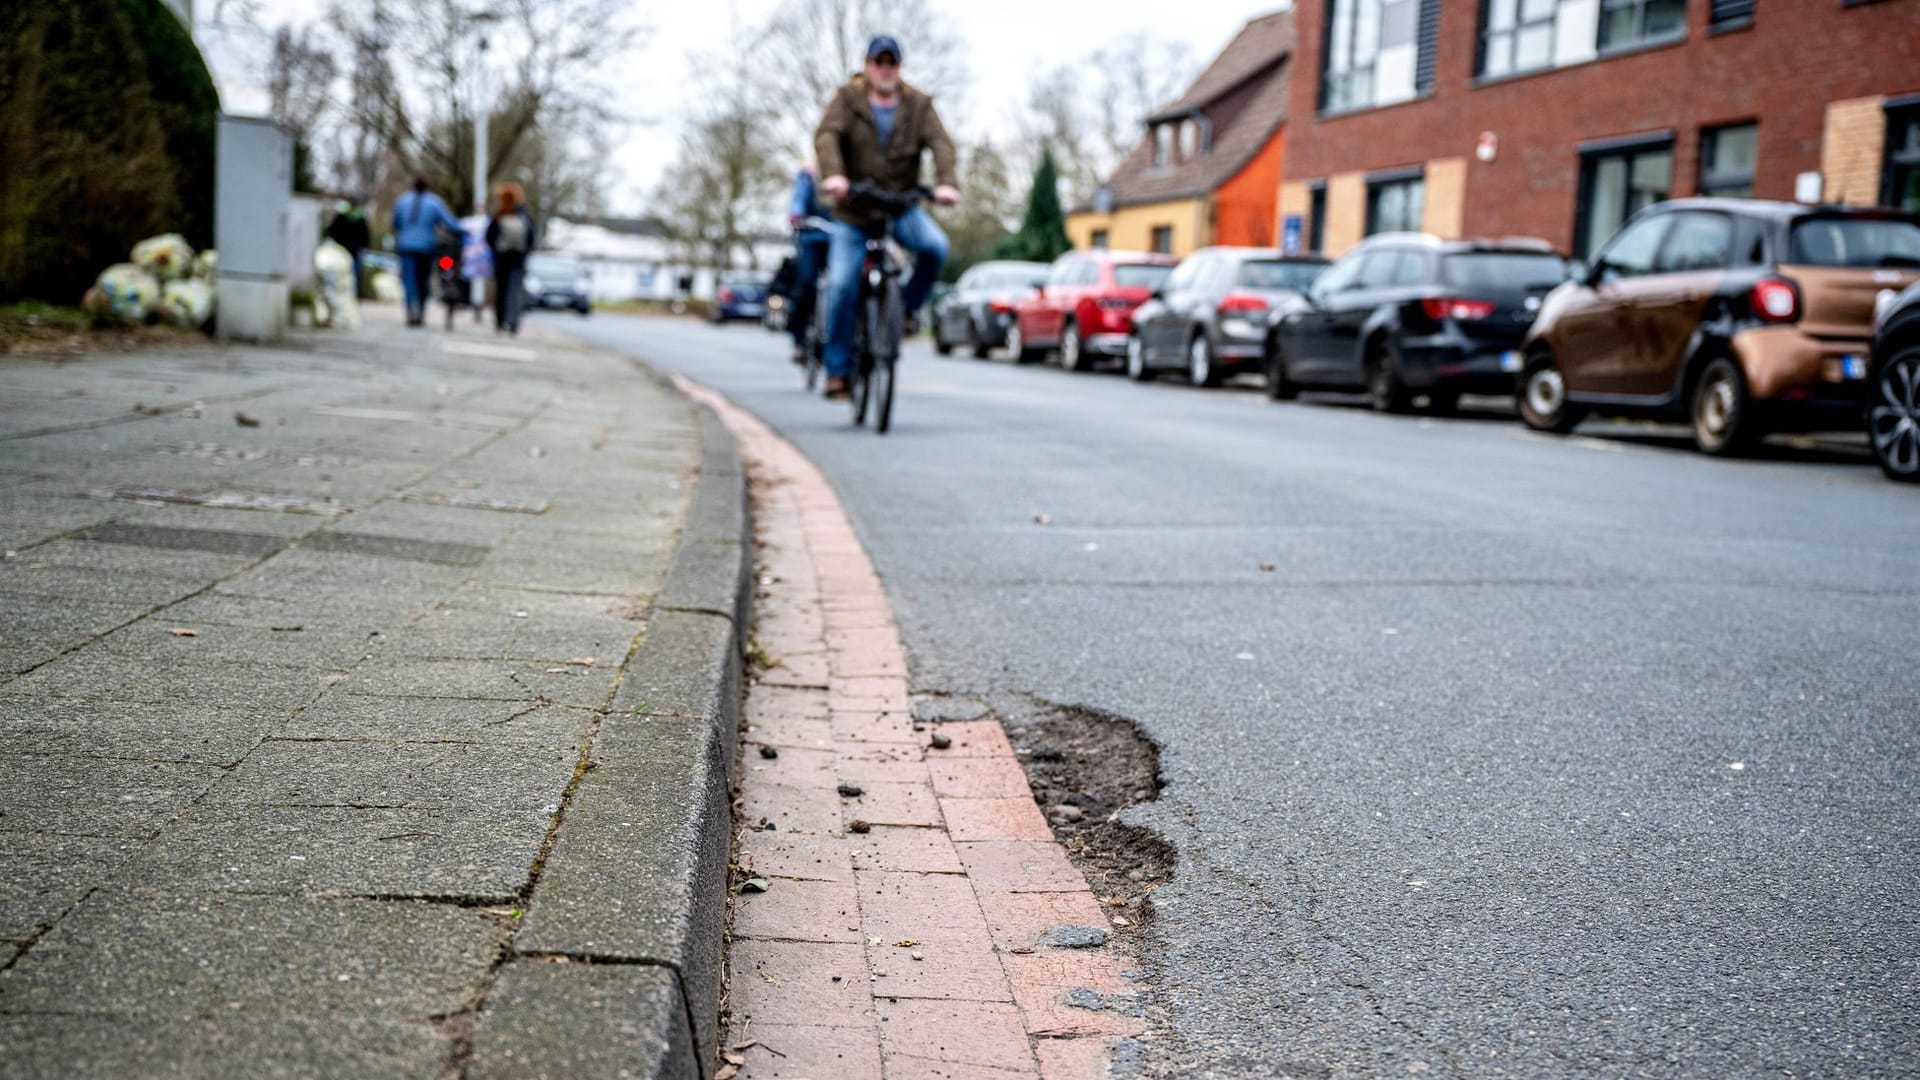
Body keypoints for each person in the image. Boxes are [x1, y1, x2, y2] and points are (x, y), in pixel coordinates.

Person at [813, 33, 960, 399]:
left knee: (935, 248)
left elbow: (941, 143)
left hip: (900, 205)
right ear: (867, 65)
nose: (884, 69)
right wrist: (834, 175)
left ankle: (904, 312)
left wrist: (946, 183)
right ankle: (838, 371)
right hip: (854, 210)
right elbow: (827, 135)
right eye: (878, 62)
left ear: (899, 68)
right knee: (843, 284)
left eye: (891, 62)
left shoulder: (919, 105)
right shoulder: (847, 99)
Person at [391, 176, 462, 327]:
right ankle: (421, 311)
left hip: (406, 247)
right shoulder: (434, 202)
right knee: (423, 280)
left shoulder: (402, 201)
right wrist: (466, 229)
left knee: (409, 281)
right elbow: (450, 223)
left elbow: (395, 223)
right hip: (426, 248)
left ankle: (412, 310)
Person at [785, 164, 832, 364]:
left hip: (839, 240)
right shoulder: (810, 175)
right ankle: (799, 341)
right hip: (811, 237)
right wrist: (797, 214)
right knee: (806, 284)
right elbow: (799, 197)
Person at [485, 183, 537, 335]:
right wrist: (525, 251)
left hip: (501, 259)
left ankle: (500, 322)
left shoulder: (498, 214)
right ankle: (513, 322)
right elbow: (532, 238)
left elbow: (489, 237)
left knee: (500, 291)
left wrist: (496, 249)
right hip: (518, 259)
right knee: (514, 291)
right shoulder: (524, 215)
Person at [325, 199, 371, 298]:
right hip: (355, 251)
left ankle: (343, 295)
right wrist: (364, 246)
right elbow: (366, 235)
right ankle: (352, 295)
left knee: (342, 274)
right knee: (353, 275)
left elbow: (332, 232)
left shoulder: (340, 217)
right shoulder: (360, 218)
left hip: (341, 251)